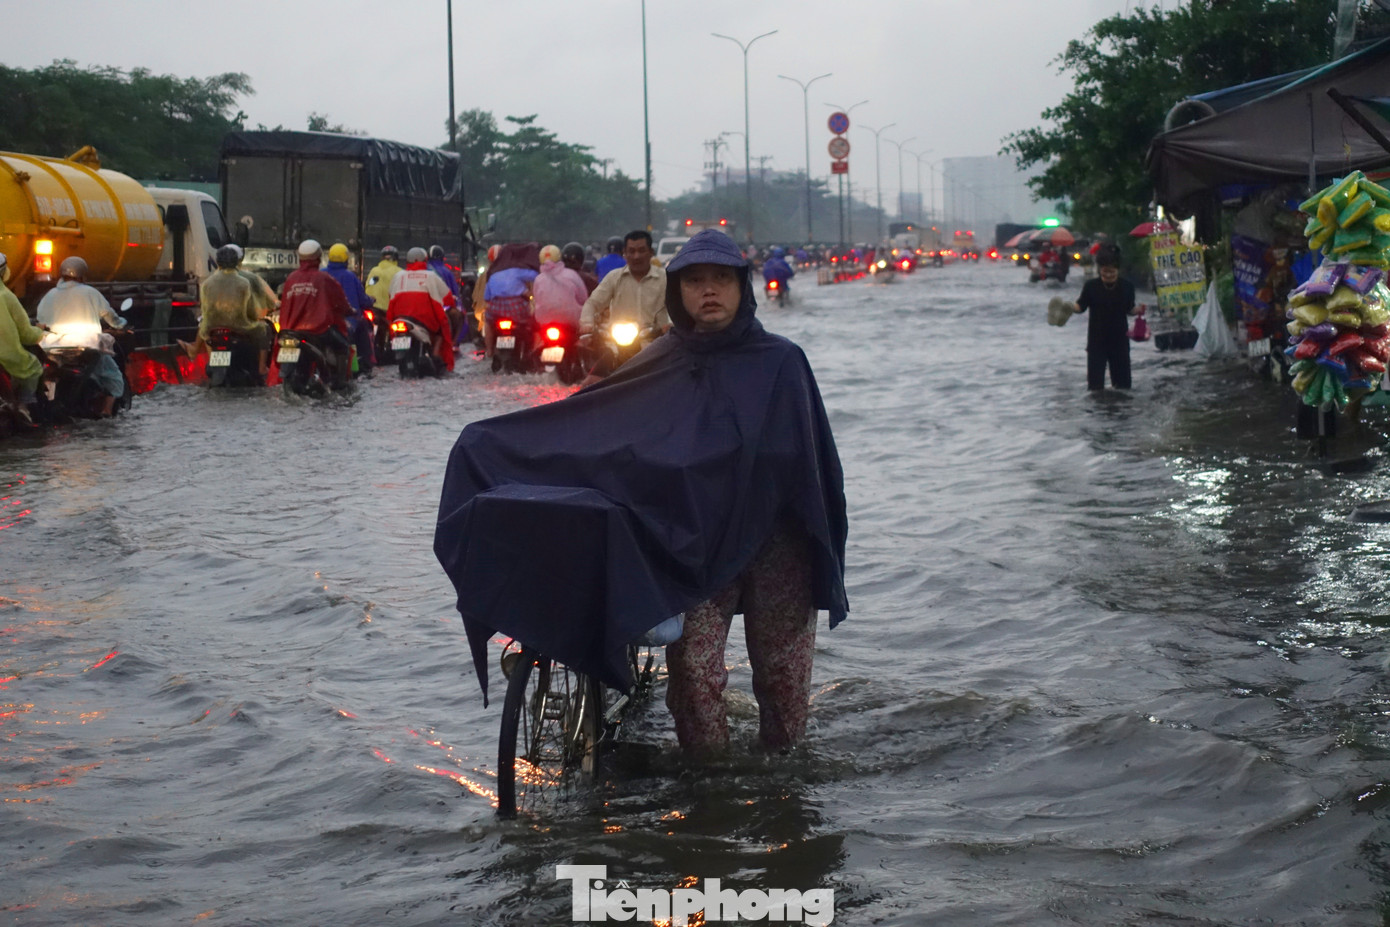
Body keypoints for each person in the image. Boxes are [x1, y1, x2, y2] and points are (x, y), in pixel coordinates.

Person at [435, 228, 847, 754]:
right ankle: (709, 791)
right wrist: (491, 443)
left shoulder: (782, 362)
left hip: (775, 542)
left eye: (721, 279)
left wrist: (817, 547)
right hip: (694, 546)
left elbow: (812, 468)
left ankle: (783, 788)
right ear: (678, 291)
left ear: (743, 287)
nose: (709, 291)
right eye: (696, 281)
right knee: (695, 681)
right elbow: (600, 422)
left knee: (783, 681)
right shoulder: (662, 360)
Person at [35, 256, 128, 416]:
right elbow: (109, 315)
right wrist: (121, 324)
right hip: (85, 349)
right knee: (114, 378)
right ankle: (106, 411)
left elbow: (41, 321)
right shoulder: (91, 292)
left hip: (52, 350)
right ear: (83, 275)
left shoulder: (49, 295)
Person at [279, 239, 354, 387]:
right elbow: (340, 302)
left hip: (291, 330)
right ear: (318, 258)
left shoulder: (291, 278)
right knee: (343, 346)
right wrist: (350, 311)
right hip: (318, 330)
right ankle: (339, 383)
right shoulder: (324, 278)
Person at [194, 245, 273, 374]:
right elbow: (252, 309)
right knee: (265, 329)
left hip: (212, 328)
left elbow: (204, 308)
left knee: (204, 329)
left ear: (218, 262)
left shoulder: (207, 283)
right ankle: (262, 367)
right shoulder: (244, 282)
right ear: (237, 261)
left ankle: (211, 362)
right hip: (239, 327)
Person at [1073, 244, 1136, 390]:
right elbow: (1080, 306)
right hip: (1096, 342)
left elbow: (1129, 308)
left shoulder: (1127, 287)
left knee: (1123, 387)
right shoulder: (1091, 286)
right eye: (1105, 272)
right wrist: (1069, 308)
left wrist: (1138, 310)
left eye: (1112, 272)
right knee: (1095, 388)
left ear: (1118, 270)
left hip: (1120, 341)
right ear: (1099, 269)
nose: (1108, 275)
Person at [387, 246, 456, 371]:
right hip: (423, 319)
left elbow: (390, 296)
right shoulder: (431, 276)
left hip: (398, 318)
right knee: (441, 329)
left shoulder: (398, 276)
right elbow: (447, 298)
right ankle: (435, 355)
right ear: (424, 260)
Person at [0, 252, 44, 422]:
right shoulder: (7, 296)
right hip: (6, 356)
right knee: (33, 367)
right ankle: (24, 405)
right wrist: (39, 333)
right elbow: (26, 334)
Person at [323, 242, 377, 375]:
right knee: (363, 326)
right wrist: (371, 300)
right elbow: (363, 300)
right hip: (347, 321)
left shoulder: (321, 274)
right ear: (346, 259)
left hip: (321, 320)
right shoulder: (350, 277)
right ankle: (364, 365)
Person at [482, 243, 540, 359]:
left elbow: (487, 297)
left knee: (487, 322)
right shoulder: (517, 270)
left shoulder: (493, 273)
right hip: (516, 307)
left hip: (496, 309)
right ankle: (534, 349)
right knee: (533, 322)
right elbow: (537, 276)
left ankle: (489, 350)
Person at [532, 244, 588, 345]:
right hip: (570, 322)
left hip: (544, 322)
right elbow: (583, 298)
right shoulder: (572, 275)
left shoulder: (538, 279)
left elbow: (537, 299)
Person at [472, 244, 501, 353]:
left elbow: (475, 297)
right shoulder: (511, 273)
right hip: (505, 312)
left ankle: (489, 350)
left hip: (483, 312)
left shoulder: (484, 275)